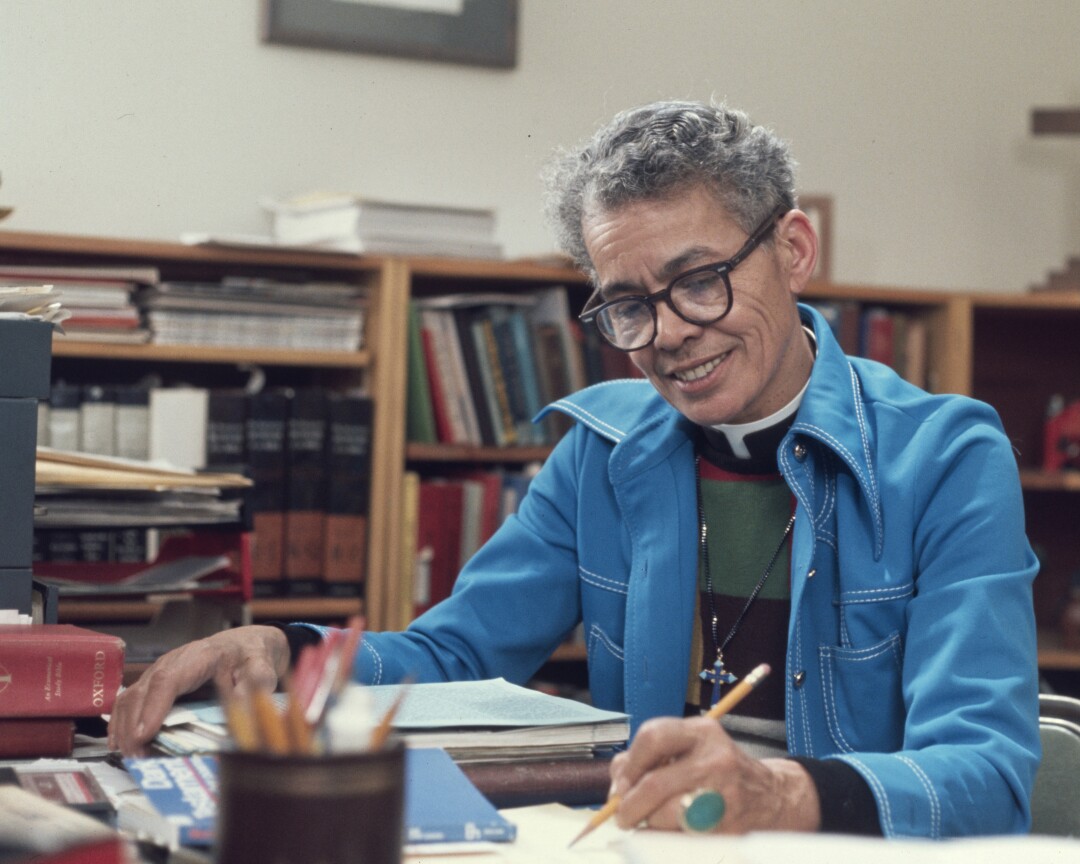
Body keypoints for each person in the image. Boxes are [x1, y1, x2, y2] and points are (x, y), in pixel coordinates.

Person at [108, 100, 1040, 839]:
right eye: (628, 305)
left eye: (700, 279)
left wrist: (775, 794)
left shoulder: (947, 457)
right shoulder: (602, 451)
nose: (669, 334)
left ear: (793, 251)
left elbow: (988, 773)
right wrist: (287, 650)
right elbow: (458, 655)